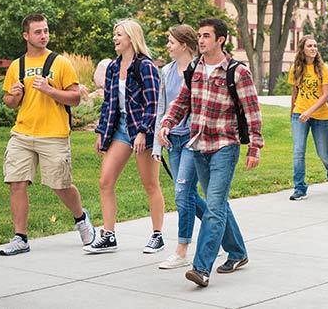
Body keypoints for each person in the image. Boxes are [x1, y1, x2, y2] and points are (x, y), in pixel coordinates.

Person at [158, 18, 264, 288]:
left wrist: (254, 146)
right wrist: (167, 123)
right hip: (197, 146)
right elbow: (183, 100)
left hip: (224, 148)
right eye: (199, 35)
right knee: (219, 206)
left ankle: (201, 268)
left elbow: (252, 111)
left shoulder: (237, 72)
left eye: (206, 36)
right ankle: (238, 252)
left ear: (221, 40)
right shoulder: (195, 68)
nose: (201, 40)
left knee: (214, 207)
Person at [0, 13, 95, 256]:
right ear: (26, 35)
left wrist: (49, 90)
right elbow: (8, 102)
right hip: (22, 134)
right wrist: (15, 96)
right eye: (38, 32)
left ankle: (81, 218)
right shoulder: (16, 66)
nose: (44, 36)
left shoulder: (59, 63)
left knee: (61, 185)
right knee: (16, 182)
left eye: (46, 31)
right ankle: (20, 237)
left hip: (53, 135)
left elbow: (74, 98)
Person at [85, 19, 164, 254]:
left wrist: (143, 131)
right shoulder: (112, 67)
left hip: (142, 129)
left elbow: (153, 103)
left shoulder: (145, 66)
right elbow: (108, 103)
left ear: (131, 37)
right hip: (120, 129)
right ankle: (108, 235)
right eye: (114, 34)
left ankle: (157, 235)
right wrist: (102, 132)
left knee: (150, 184)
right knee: (105, 181)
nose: (114, 38)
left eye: (119, 34)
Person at [152, 25, 208, 269]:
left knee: (182, 193)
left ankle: (181, 250)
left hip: (192, 139)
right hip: (171, 139)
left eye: (171, 42)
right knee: (188, 194)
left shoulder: (199, 69)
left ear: (184, 45)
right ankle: (218, 233)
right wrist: (157, 144)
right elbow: (162, 107)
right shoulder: (166, 71)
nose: (168, 46)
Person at [287, 35, 328, 200]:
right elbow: (295, 92)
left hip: (321, 116)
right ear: (302, 49)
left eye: (315, 46)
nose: (313, 48)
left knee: (323, 153)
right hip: (300, 114)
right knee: (298, 152)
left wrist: (309, 112)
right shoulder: (296, 68)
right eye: (309, 46)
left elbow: (325, 96)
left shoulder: (323, 68)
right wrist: (293, 113)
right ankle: (299, 188)